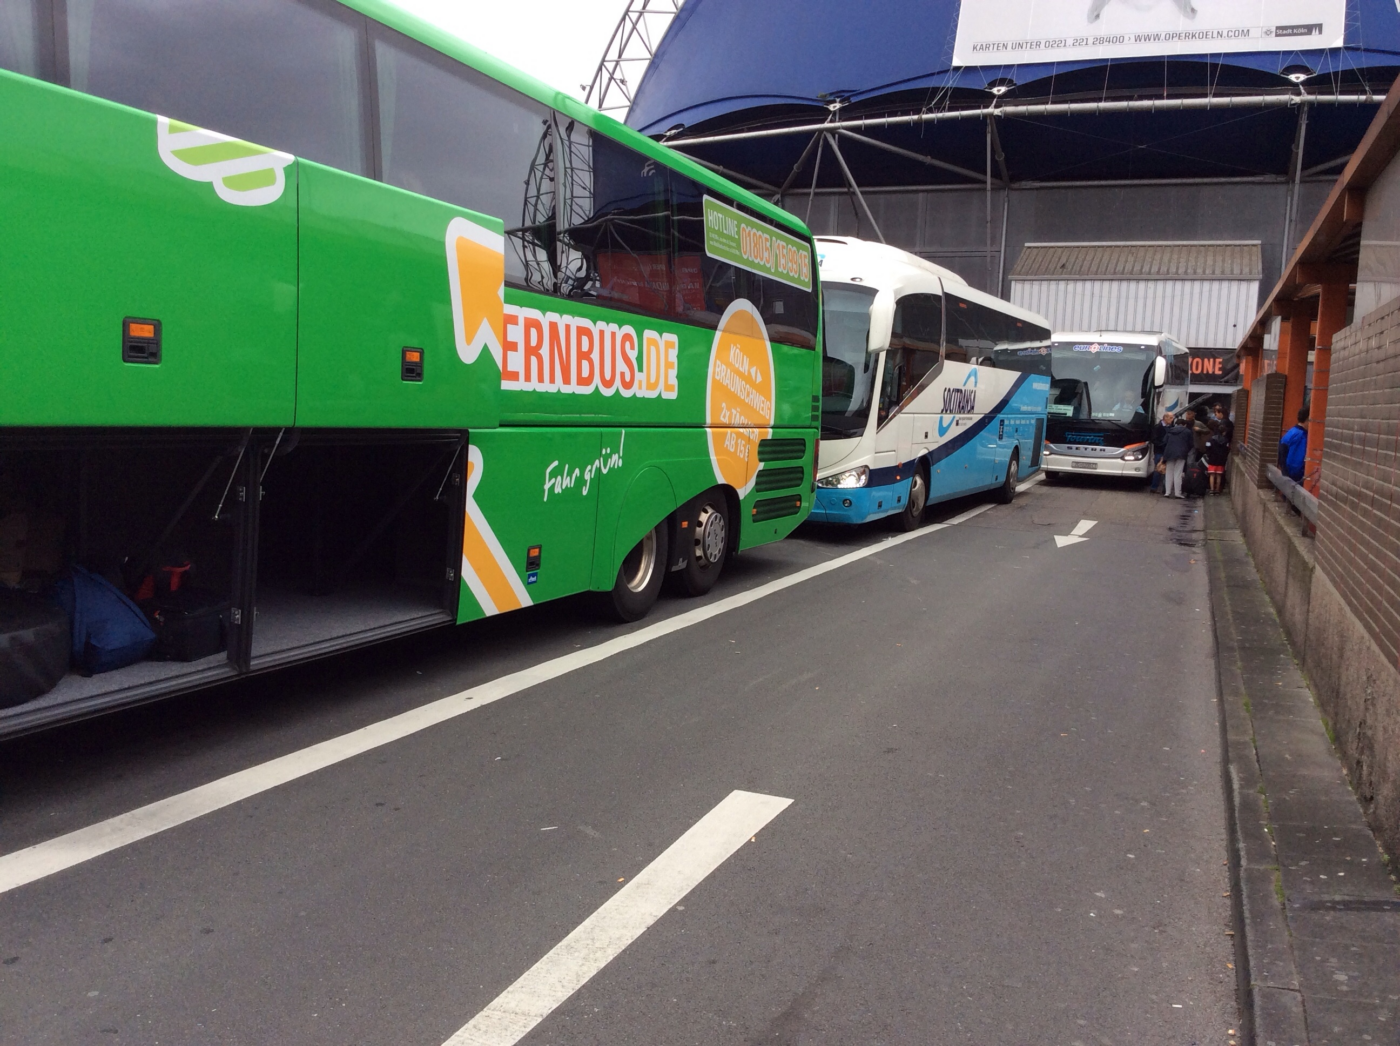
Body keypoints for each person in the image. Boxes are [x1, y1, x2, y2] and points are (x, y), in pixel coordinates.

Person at [1161, 413, 1193, 498]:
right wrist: (1185, 450)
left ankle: (1167, 492)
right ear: (1184, 424)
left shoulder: (1170, 430)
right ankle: (1177, 493)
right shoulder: (1187, 432)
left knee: (1169, 472)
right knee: (1178, 473)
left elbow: (1164, 441)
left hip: (1169, 453)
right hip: (1181, 454)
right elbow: (1191, 444)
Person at [1278, 406, 1309, 483]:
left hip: (1287, 475)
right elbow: (1297, 462)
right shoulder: (1301, 436)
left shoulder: (1292, 432)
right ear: (1307, 419)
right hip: (1295, 478)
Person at [1150, 411, 1174, 492]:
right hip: (1159, 451)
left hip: (1168, 451)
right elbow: (1153, 439)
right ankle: (1154, 487)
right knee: (1158, 469)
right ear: (1165, 418)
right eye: (1170, 418)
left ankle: (1165, 489)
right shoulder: (1158, 427)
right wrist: (1162, 444)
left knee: (1168, 470)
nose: (1172, 419)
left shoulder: (1172, 427)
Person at [1204, 418, 1230, 494]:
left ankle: (1212, 489)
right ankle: (1217, 489)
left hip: (1212, 459)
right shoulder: (1226, 440)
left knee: (1212, 474)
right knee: (1219, 475)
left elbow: (1207, 447)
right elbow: (1227, 449)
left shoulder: (1211, 439)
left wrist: (1209, 454)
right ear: (1224, 432)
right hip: (1221, 460)